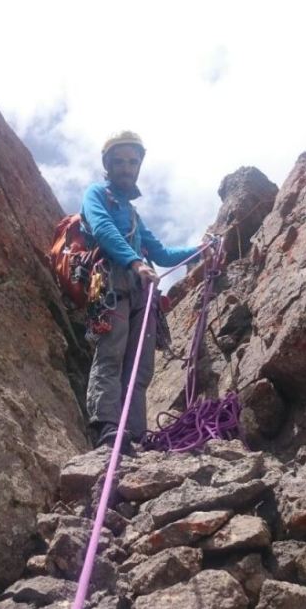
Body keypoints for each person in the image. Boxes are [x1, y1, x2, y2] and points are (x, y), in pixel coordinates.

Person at [81, 130, 201, 451]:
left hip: (140, 290)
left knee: (140, 364)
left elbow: (161, 254)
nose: (126, 167)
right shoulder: (96, 195)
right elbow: (103, 229)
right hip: (112, 283)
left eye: (132, 162)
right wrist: (136, 262)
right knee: (112, 353)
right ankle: (107, 427)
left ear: (138, 167)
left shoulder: (133, 214)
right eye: (119, 161)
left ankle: (134, 433)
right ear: (107, 165)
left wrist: (201, 250)